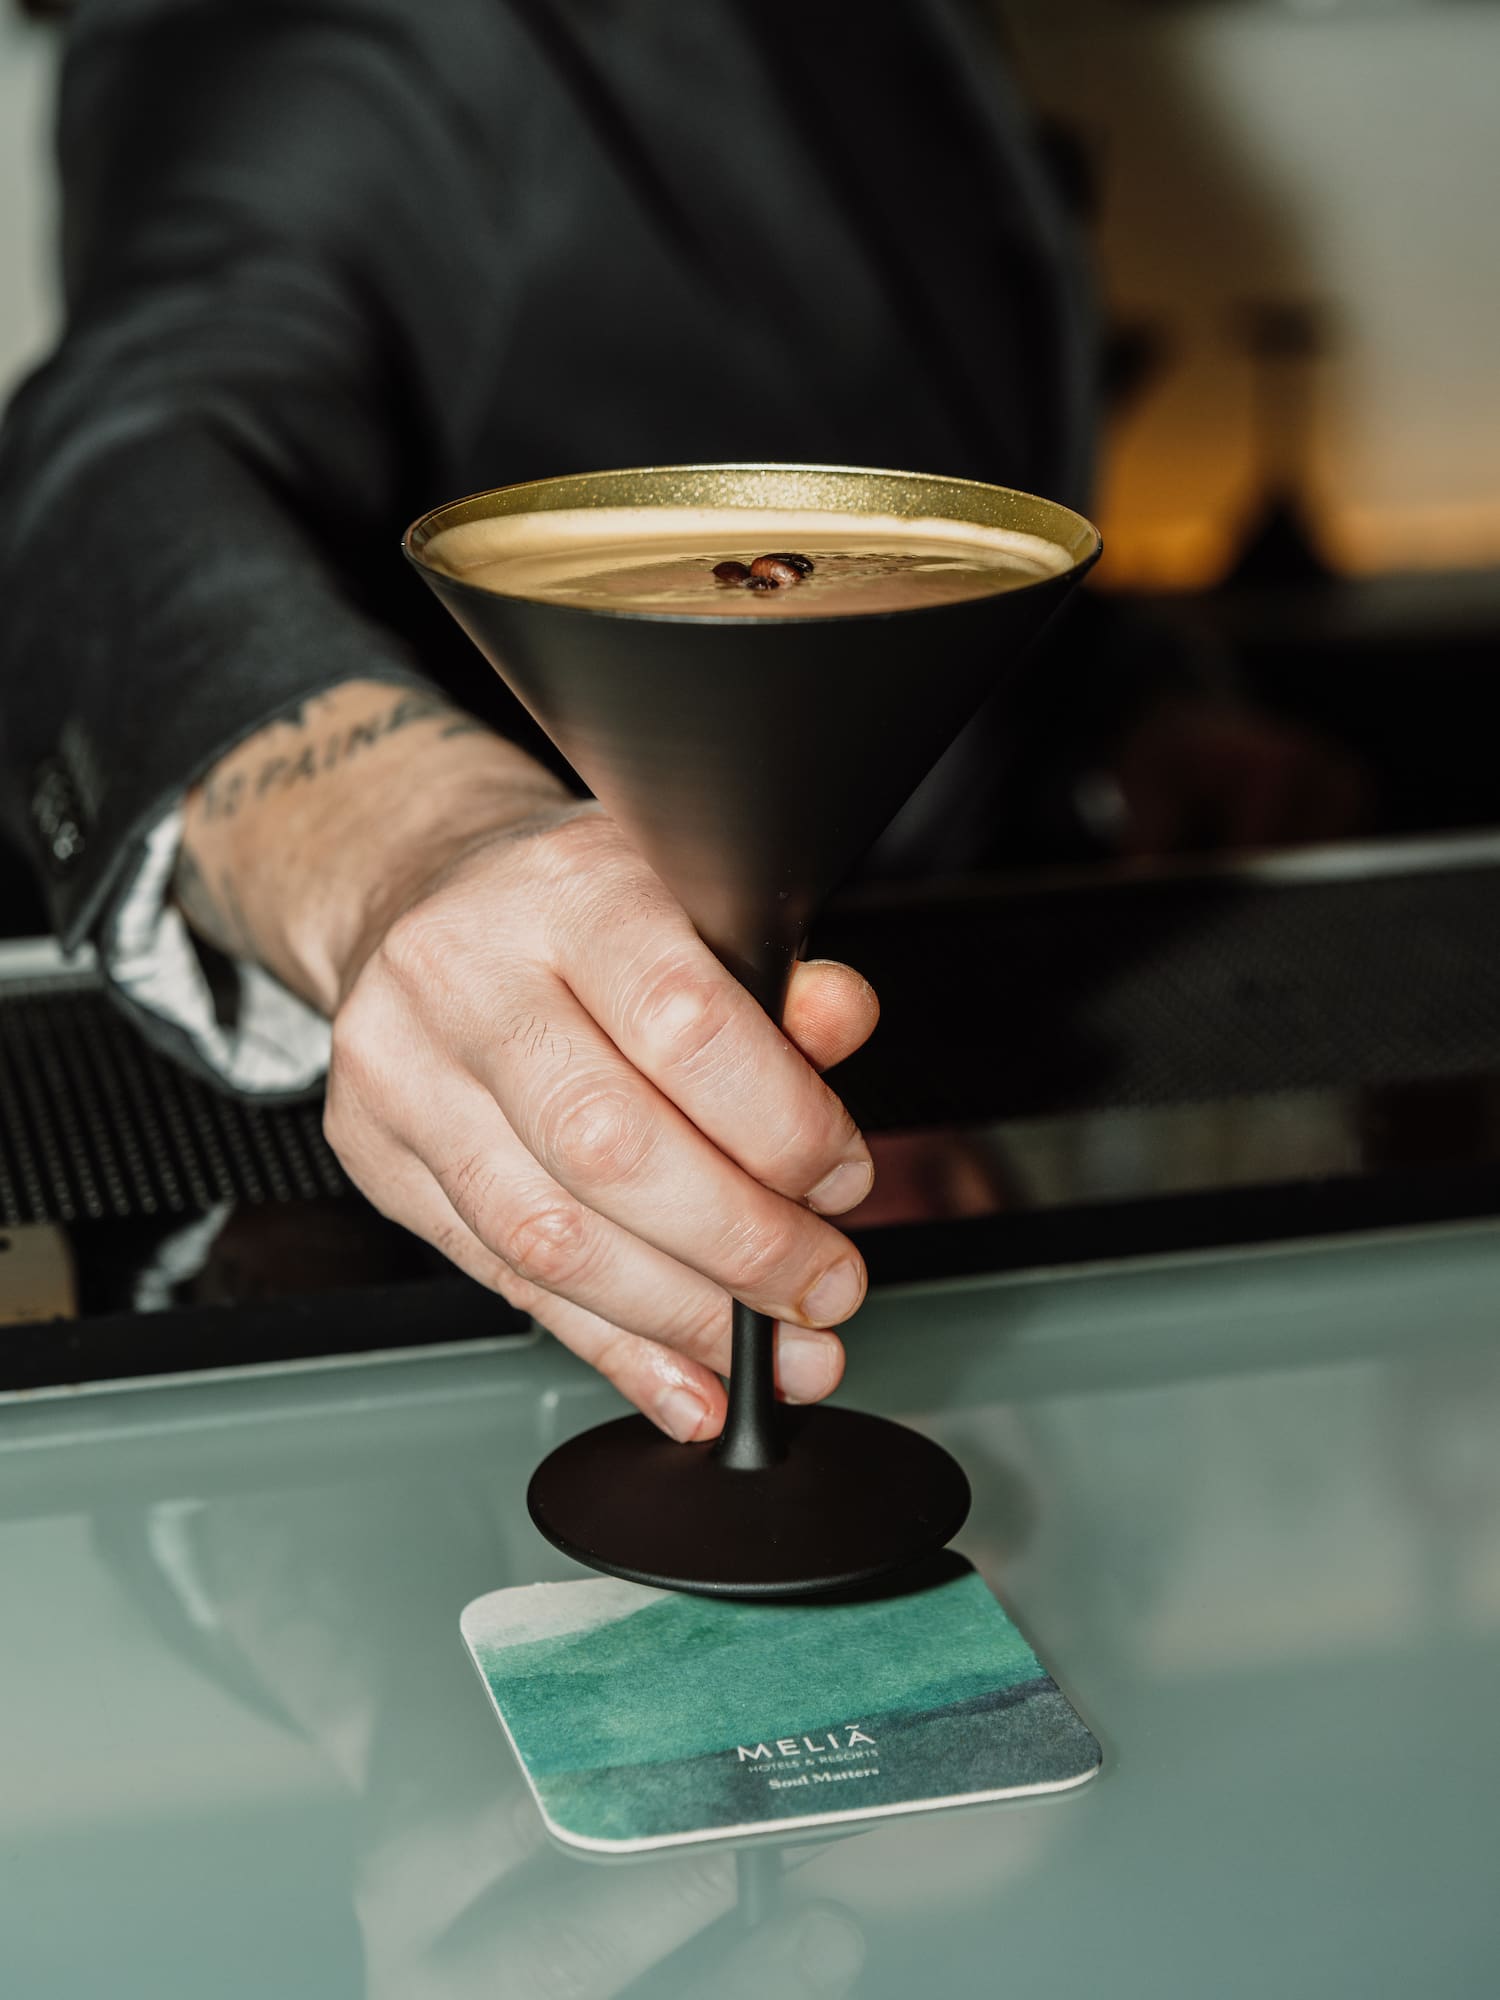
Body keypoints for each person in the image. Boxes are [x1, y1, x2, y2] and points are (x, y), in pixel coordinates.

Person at [0, 0, 1358, 1439]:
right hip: (516, 1237)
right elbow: (122, 456)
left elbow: (880, 481)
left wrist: (1122, 712)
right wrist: (394, 836)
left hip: (925, 1128)